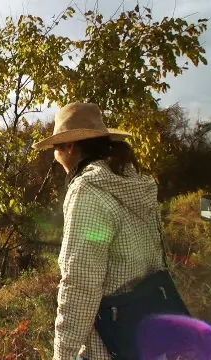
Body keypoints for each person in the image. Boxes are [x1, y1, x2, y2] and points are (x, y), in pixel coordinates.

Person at [32, 102, 165, 360]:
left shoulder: (87, 192)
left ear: (70, 147)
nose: (55, 156)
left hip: (112, 338)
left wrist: (64, 354)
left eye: (55, 149)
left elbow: (81, 283)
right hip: (151, 324)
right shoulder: (137, 181)